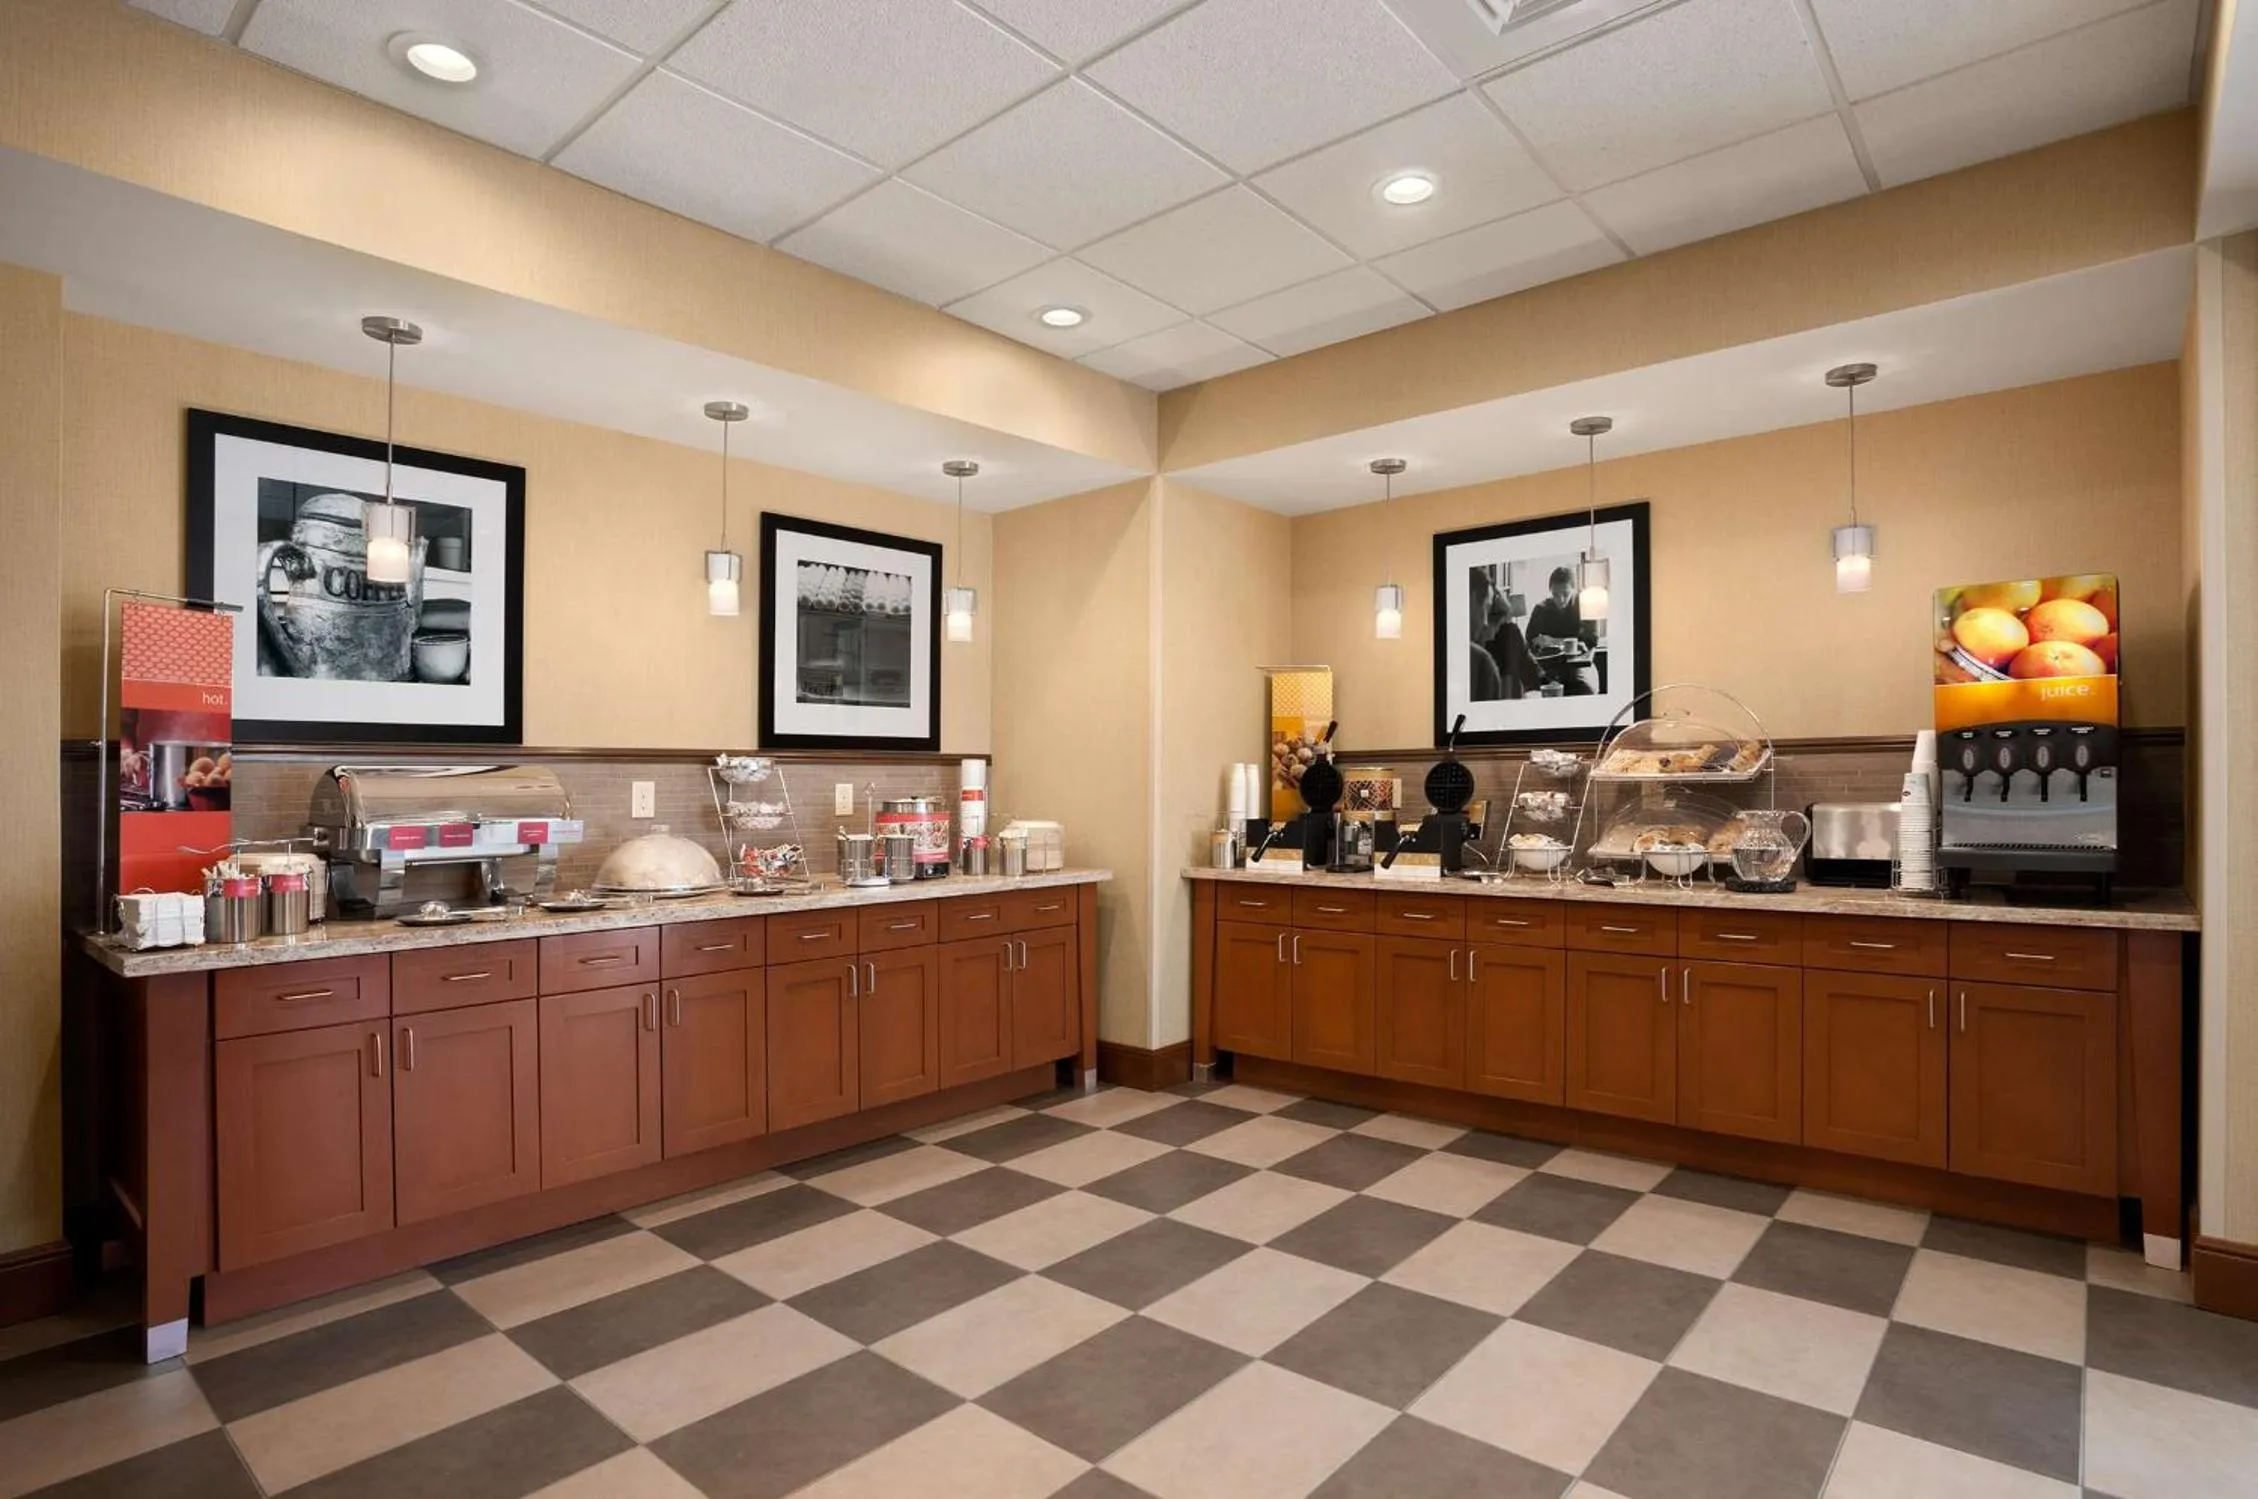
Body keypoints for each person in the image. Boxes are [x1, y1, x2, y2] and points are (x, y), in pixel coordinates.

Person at [1526, 566, 1600, 695]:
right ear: (1550, 591)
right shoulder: (1541, 609)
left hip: (1578, 666)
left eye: (1565, 594)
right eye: (1555, 594)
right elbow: (1529, 639)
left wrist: (1553, 641)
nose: (1560, 600)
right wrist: (1537, 643)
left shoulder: (1585, 606)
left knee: (1584, 690)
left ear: (1574, 589)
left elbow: (1592, 639)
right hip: (1549, 667)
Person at [1469, 570, 1541, 700]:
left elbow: (1533, 672)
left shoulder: (1509, 633)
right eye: (1497, 623)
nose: (1485, 624)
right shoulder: (1478, 656)